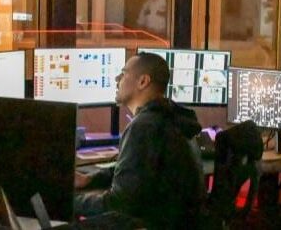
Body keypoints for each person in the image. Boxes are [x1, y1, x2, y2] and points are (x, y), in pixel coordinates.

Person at [74, 52, 205, 229]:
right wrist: (91, 179)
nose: (116, 78)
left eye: (123, 73)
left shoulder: (144, 127)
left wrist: (69, 200)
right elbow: (138, 169)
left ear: (143, 81)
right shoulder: (171, 117)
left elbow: (119, 205)